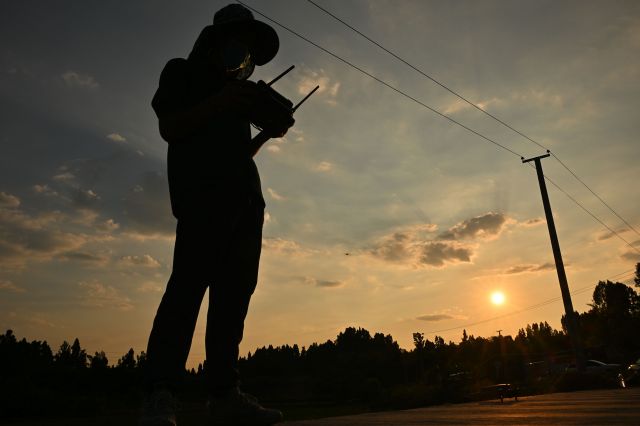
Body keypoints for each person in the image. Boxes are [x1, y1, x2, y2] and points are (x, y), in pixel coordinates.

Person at [139, 4, 294, 426]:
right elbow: (170, 127)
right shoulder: (182, 73)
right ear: (216, 41)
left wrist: (266, 131)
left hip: (245, 202)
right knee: (187, 290)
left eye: (250, 52)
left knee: (233, 299)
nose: (245, 57)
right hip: (203, 198)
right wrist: (222, 102)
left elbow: (238, 153)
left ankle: (224, 395)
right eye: (241, 45)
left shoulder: (238, 97)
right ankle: (161, 393)